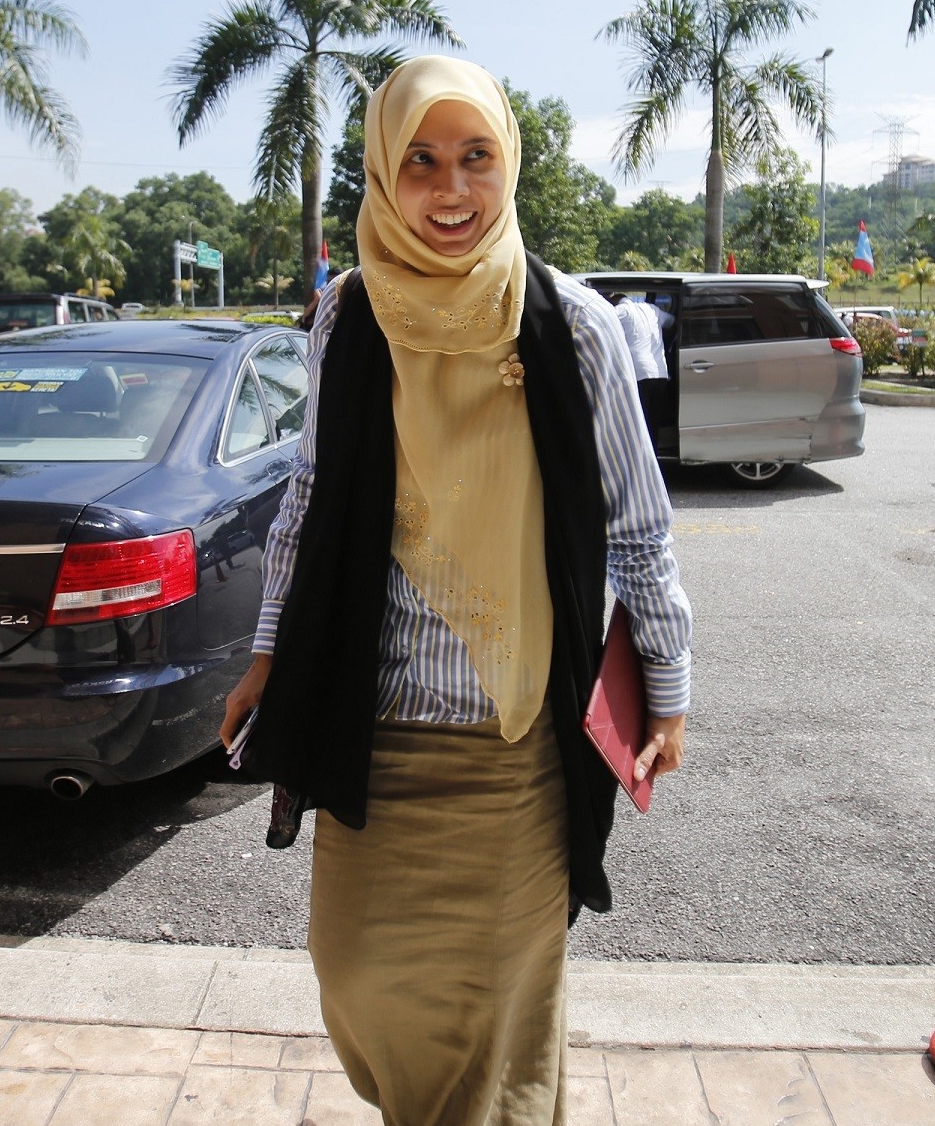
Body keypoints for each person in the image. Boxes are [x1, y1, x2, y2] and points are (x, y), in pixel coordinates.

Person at [223, 56, 694, 1125]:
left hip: (510, 746)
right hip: (370, 729)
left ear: (508, 163)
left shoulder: (573, 326)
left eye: (476, 157)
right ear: (385, 173)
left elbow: (639, 527)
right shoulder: (350, 317)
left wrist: (665, 687)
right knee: (356, 982)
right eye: (422, 160)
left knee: (487, 1026)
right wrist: (266, 653)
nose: (451, 191)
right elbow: (305, 501)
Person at [608, 291, 671, 458]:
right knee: (653, 421)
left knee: (638, 421)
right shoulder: (653, 309)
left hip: (639, 374)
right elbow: (672, 321)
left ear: (615, 300)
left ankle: (640, 458)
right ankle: (654, 457)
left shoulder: (622, 310)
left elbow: (603, 321)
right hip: (660, 373)